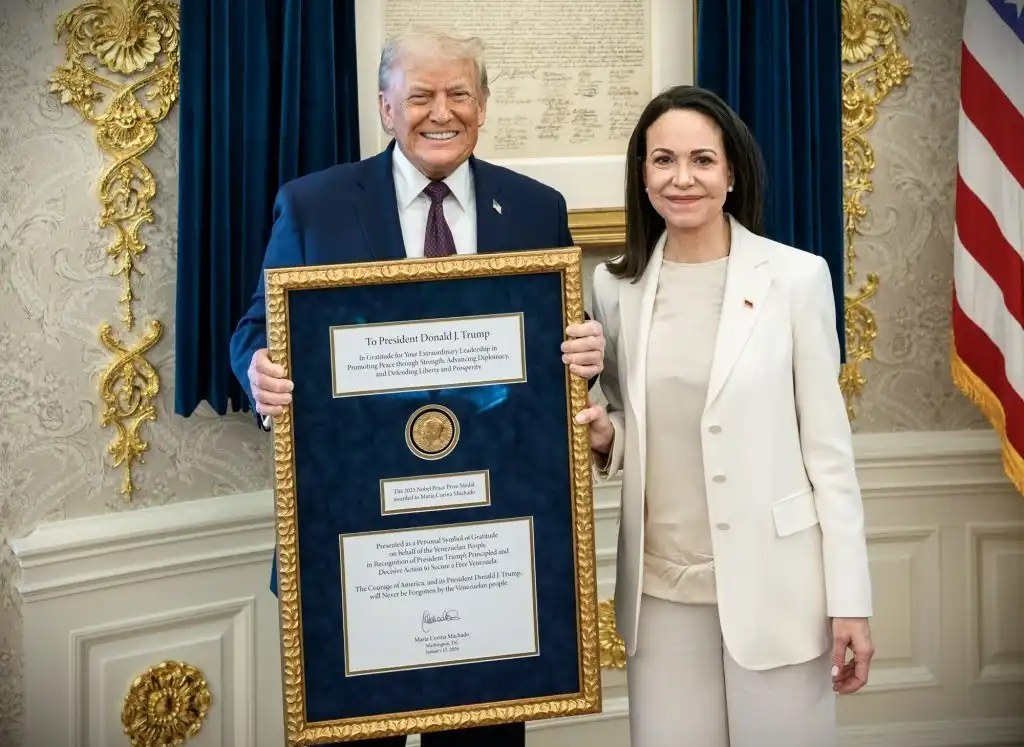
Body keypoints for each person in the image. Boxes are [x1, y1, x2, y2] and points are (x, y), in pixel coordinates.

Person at [228, 27, 605, 747]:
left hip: (489, 538)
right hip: (352, 537)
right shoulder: (314, 205)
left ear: (484, 105)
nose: (443, 112)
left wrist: (583, 347)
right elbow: (256, 327)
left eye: (460, 93)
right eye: (422, 94)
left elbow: (553, 338)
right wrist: (258, 370)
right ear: (385, 107)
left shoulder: (535, 208)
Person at [577, 85, 874, 746]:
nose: (682, 178)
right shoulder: (614, 288)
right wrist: (607, 434)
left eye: (702, 160)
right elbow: (631, 415)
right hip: (659, 592)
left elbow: (828, 451)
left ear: (732, 173)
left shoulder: (796, 279)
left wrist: (851, 598)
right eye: (662, 160)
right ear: (643, 174)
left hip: (779, 587)